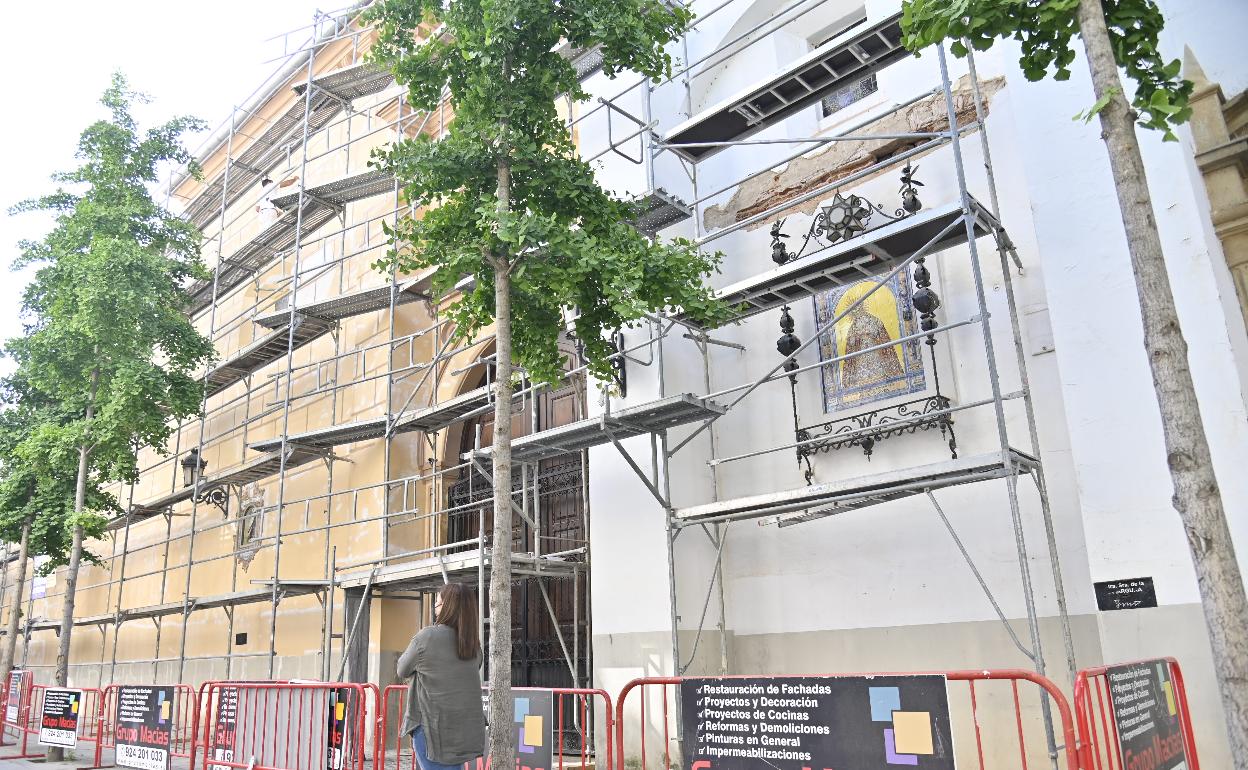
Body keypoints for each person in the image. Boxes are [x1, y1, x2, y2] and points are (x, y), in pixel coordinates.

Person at [398, 582, 486, 770]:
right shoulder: (473, 644)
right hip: (462, 732)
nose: (435, 608)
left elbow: (402, 669)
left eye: (437, 603)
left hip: (432, 729)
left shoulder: (426, 637)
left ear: (448, 607)